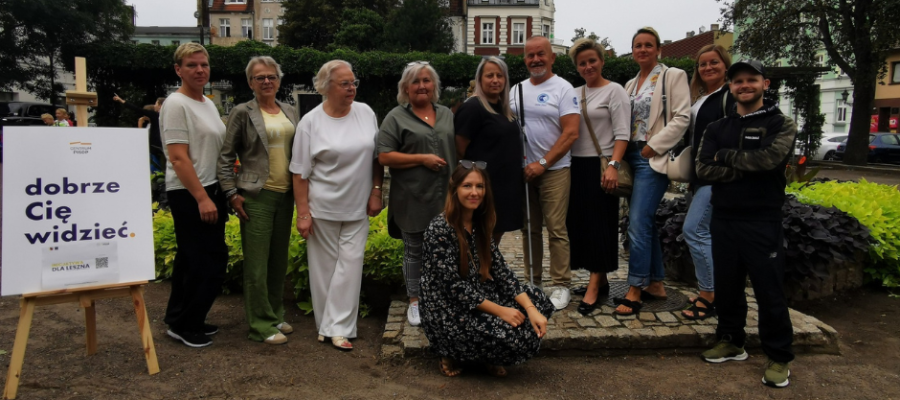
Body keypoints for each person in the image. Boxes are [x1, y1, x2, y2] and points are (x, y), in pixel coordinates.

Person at [696, 59, 797, 388]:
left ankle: (779, 356)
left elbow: (770, 161)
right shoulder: (717, 128)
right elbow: (702, 170)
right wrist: (745, 165)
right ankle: (731, 341)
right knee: (727, 287)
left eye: (751, 79)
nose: (744, 85)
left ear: (764, 84)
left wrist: (724, 156)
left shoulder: (781, 123)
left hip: (762, 219)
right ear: (731, 86)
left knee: (769, 291)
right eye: (738, 81)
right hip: (724, 217)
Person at [420, 162, 554, 377]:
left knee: (539, 302)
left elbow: (502, 273)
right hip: (447, 308)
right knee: (508, 335)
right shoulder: (440, 229)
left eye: (480, 186)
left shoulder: (480, 224)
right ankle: (449, 350)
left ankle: (488, 354)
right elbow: (454, 288)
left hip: (479, 294)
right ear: (455, 190)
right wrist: (501, 311)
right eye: (467, 186)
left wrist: (530, 309)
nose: (474, 192)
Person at [291, 60, 383, 351]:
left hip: (358, 207)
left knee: (350, 267)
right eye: (345, 83)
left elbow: (376, 157)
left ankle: (336, 327)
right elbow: (299, 172)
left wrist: (376, 191)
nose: (351, 88)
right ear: (325, 87)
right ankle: (331, 327)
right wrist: (303, 213)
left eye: (354, 82)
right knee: (324, 271)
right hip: (323, 209)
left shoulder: (366, 113)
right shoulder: (310, 122)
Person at [218, 56, 300, 345]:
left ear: (279, 80)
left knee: (278, 261)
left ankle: (274, 313)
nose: (266, 81)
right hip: (256, 196)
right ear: (251, 82)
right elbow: (226, 157)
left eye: (271, 76)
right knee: (256, 264)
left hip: (286, 194)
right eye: (259, 77)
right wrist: (231, 193)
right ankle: (259, 325)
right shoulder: (242, 112)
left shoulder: (290, 109)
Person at [614, 27, 690, 316]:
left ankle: (635, 288)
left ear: (658, 49)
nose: (642, 49)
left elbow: (682, 116)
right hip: (630, 156)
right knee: (644, 222)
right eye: (637, 45)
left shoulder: (672, 76)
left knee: (637, 221)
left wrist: (654, 146)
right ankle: (656, 283)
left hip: (650, 157)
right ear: (632, 51)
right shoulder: (631, 84)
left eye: (648, 45)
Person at [160, 42, 228, 348]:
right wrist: (202, 197)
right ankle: (186, 324)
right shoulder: (177, 104)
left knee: (194, 261)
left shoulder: (207, 102)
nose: (199, 70)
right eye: (191, 65)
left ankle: (183, 318)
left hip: (210, 187)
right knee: (205, 261)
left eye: (204, 64)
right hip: (190, 192)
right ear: (178, 70)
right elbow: (178, 158)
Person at [378, 62, 456, 327]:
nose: (422, 86)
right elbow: (384, 155)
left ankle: (441, 297)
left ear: (434, 85)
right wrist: (422, 159)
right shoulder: (396, 117)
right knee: (415, 250)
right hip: (412, 196)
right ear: (405, 88)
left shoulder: (446, 113)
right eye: (415, 82)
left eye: (426, 80)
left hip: (445, 195)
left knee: (446, 250)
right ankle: (415, 301)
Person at [509, 36, 580, 310]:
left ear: (552, 57)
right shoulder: (515, 90)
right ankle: (532, 282)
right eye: (530, 55)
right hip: (524, 171)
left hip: (554, 170)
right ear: (525, 59)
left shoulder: (563, 88)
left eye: (541, 54)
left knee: (556, 229)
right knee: (530, 229)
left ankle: (561, 284)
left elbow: (571, 132)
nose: (535, 59)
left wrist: (543, 162)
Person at [567, 38, 630, 315]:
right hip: (575, 166)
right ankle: (600, 280)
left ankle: (594, 287)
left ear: (602, 61)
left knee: (600, 225)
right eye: (582, 63)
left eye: (592, 60)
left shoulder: (614, 91)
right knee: (579, 224)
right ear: (577, 67)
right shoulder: (574, 92)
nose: (588, 66)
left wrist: (614, 164)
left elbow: (623, 133)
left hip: (602, 164)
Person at [681, 44, 736, 320]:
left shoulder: (730, 96)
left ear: (726, 65)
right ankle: (711, 290)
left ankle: (709, 295)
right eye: (703, 64)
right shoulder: (702, 97)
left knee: (694, 230)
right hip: (699, 176)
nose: (708, 68)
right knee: (710, 235)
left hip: (717, 177)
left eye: (714, 62)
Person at [454, 56, 523, 245]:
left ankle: (487, 273)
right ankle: (477, 274)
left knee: (493, 239)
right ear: (480, 79)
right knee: (479, 239)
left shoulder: (503, 109)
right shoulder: (472, 108)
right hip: (483, 187)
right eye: (489, 75)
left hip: (504, 187)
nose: (495, 80)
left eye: (500, 76)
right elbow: (459, 150)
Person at [113, 94, 167, 167]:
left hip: (155, 145)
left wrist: (122, 101)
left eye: (156, 103)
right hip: (164, 144)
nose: (154, 106)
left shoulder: (155, 115)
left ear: (160, 105)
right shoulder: (167, 116)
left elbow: (137, 109)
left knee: (154, 165)